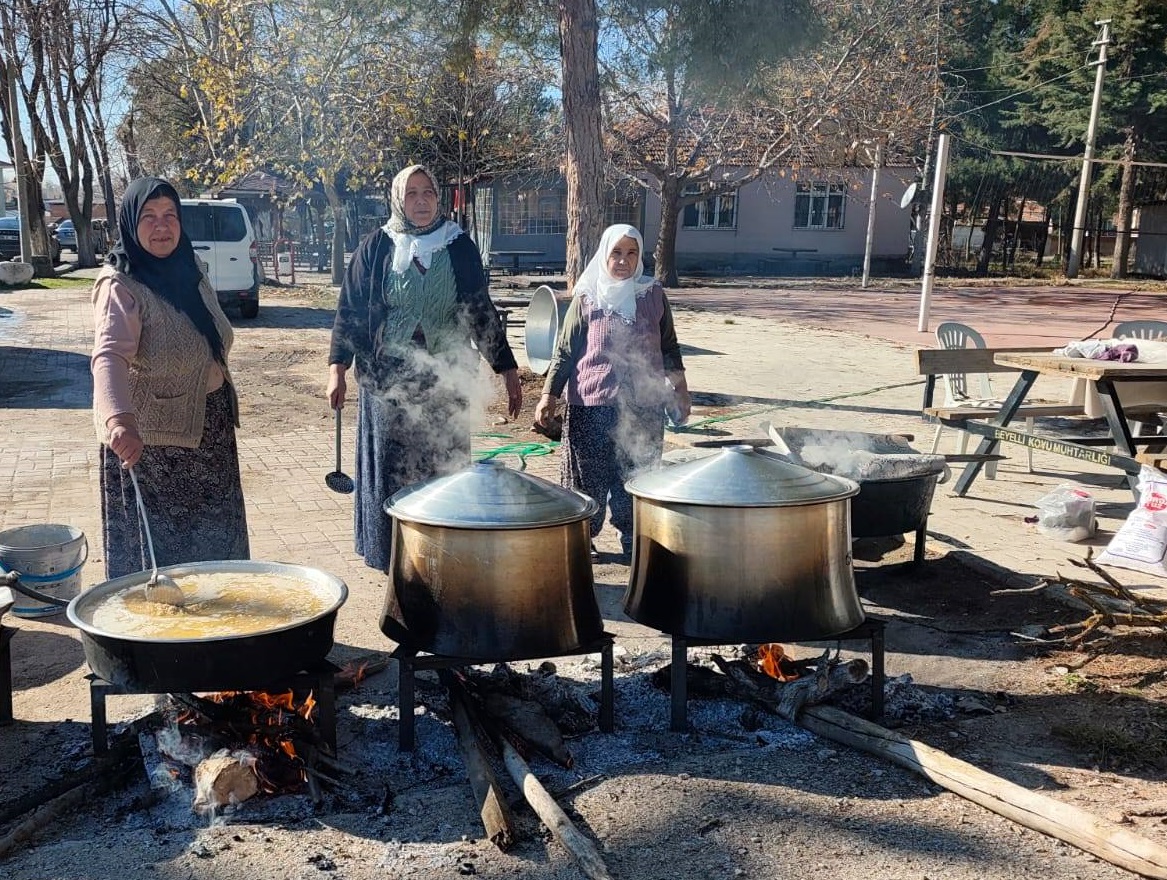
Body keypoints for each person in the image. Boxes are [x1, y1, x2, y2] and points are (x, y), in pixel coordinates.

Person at [327, 163, 522, 572]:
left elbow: (479, 311)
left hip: (444, 379)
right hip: (387, 381)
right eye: (411, 193)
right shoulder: (377, 246)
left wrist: (506, 368)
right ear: (398, 198)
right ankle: (393, 557)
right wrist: (337, 369)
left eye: (428, 193)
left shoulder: (458, 246)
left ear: (439, 198)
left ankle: (444, 552)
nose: (420, 200)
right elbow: (351, 310)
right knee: (392, 470)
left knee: (443, 466)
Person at [91, 177, 249, 580]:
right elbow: (108, 357)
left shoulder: (188, 268)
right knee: (170, 564)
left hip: (207, 432)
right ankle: (168, 643)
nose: (162, 227)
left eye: (170, 216)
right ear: (129, 222)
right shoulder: (121, 284)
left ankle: (219, 631)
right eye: (149, 217)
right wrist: (119, 420)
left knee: (216, 552)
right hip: (156, 447)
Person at [533, 223, 690, 559]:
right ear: (604, 256)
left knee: (636, 475)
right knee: (585, 477)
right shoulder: (588, 298)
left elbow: (670, 347)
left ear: (639, 257)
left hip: (643, 406)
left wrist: (680, 391)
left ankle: (634, 538)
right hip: (592, 404)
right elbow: (564, 351)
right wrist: (549, 395)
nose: (623, 260)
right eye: (616, 253)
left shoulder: (652, 296)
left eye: (631, 253)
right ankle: (581, 536)